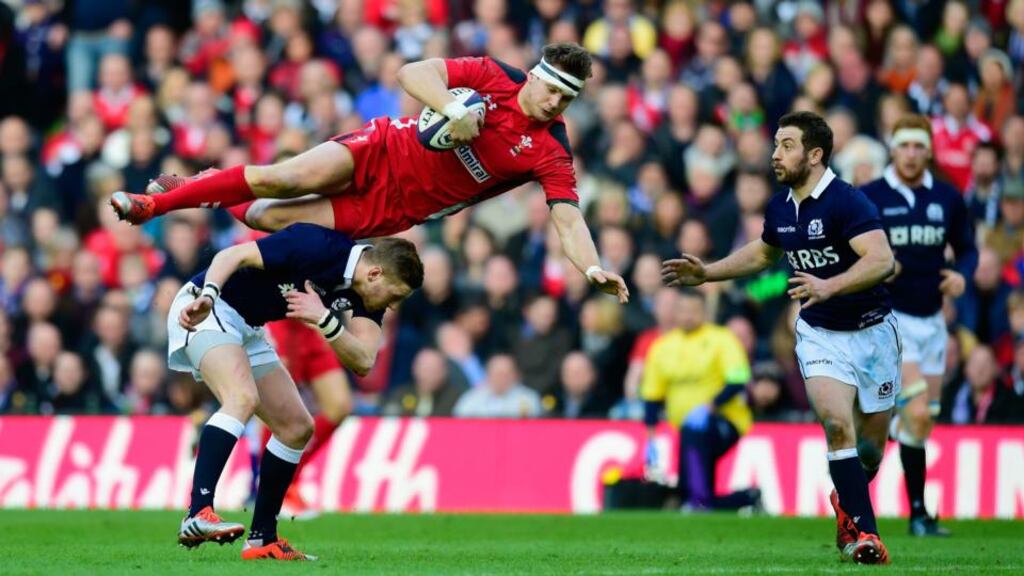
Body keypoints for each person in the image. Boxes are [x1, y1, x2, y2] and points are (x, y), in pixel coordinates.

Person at [109, 42, 628, 304]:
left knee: (268, 218)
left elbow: (567, 219)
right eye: (553, 90)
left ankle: (203, 185)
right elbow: (412, 73)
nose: (555, 103)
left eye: (567, 98)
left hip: (395, 207)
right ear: (536, 76)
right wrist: (452, 109)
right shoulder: (494, 75)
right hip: (382, 147)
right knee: (281, 178)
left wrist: (590, 268)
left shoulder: (550, 151)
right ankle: (153, 204)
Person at [662, 111, 897, 565]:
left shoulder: (848, 203)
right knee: (835, 425)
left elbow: (881, 260)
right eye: (775, 144)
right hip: (820, 331)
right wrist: (708, 273)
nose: (775, 154)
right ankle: (867, 534)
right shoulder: (780, 207)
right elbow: (765, 252)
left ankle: (845, 502)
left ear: (815, 154)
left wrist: (830, 284)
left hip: (872, 332)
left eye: (786, 145)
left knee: (870, 449)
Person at [168, 222, 422, 560]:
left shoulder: (367, 294)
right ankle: (197, 512)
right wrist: (208, 295)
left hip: (248, 327)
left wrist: (325, 319)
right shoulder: (316, 244)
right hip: (208, 307)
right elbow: (233, 254)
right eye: (394, 296)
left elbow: (363, 360)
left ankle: (262, 540)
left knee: (296, 427)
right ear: (375, 274)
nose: (391, 306)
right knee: (242, 397)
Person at [861, 114, 977, 537]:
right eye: (904, 145)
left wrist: (962, 272)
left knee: (920, 422)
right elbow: (847, 250)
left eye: (918, 146)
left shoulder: (947, 197)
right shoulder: (870, 196)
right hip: (888, 321)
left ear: (929, 150)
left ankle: (917, 513)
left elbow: (967, 247)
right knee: (914, 409)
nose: (910, 154)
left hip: (932, 322)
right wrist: (876, 267)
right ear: (892, 148)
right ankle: (902, 512)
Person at [641, 289, 761, 512]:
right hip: (685, 429)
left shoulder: (721, 339)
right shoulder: (662, 346)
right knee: (691, 484)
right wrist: (650, 437)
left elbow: (737, 381)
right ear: (675, 312)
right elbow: (652, 394)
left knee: (694, 436)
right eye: (683, 310)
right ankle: (746, 499)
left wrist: (710, 407)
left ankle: (697, 501)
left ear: (705, 312)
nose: (687, 316)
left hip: (724, 420)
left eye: (693, 311)